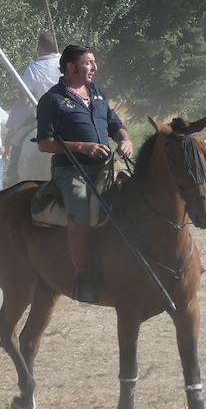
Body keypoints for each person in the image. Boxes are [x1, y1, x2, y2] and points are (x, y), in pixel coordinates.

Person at [35, 45, 134, 303]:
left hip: (107, 166)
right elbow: (45, 144)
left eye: (93, 62)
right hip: (71, 170)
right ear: (71, 67)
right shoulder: (52, 100)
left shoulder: (98, 93)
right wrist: (82, 147)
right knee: (80, 206)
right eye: (89, 62)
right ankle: (84, 274)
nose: (95, 67)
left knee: (137, 193)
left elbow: (115, 125)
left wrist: (125, 141)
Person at [18, 32, 61, 102]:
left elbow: (25, 100)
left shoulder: (32, 70)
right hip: (71, 110)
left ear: (40, 47)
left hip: (46, 110)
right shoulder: (68, 63)